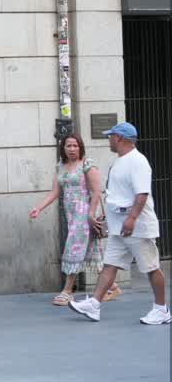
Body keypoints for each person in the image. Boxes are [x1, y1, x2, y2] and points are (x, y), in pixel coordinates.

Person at [70, 122, 169, 325]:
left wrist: (131, 219)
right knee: (109, 265)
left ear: (120, 138)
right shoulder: (120, 162)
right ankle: (94, 305)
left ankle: (162, 309)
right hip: (120, 227)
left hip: (137, 227)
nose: (109, 139)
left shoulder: (138, 162)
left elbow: (141, 194)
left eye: (111, 136)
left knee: (151, 268)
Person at [29, 132, 114, 305]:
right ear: (63, 148)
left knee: (73, 248)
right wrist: (39, 207)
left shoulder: (87, 164)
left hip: (85, 214)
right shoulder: (61, 165)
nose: (72, 149)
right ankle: (112, 287)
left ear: (81, 147)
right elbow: (55, 191)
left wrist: (91, 214)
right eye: (69, 145)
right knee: (90, 250)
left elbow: (97, 191)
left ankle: (68, 290)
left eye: (75, 145)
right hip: (71, 214)